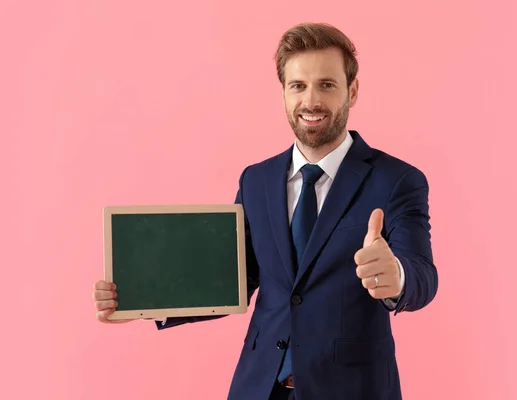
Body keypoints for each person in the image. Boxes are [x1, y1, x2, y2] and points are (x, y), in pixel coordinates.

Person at [93, 22, 438, 400]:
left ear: (352, 91)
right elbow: (234, 277)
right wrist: (141, 299)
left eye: (326, 84)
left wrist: (397, 277)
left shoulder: (397, 180)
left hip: (352, 389)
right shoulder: (256, 180)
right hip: (259, 387)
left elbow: (422, 273)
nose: (311, 101)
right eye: (298, 86)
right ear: (284, 93)